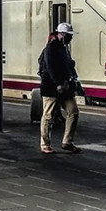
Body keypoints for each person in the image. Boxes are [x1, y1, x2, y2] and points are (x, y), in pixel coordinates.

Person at [39, 22, 81, 154]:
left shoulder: (64, 48)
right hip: (51, 87)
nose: (71, 38)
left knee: (73, 111)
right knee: (48, 116)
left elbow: (67, 66)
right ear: (62, 34)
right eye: (69, 35)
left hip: (65, 87)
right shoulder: (50, 49)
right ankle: (44, 143)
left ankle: (67, 142)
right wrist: (57, 84)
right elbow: (50, 68)